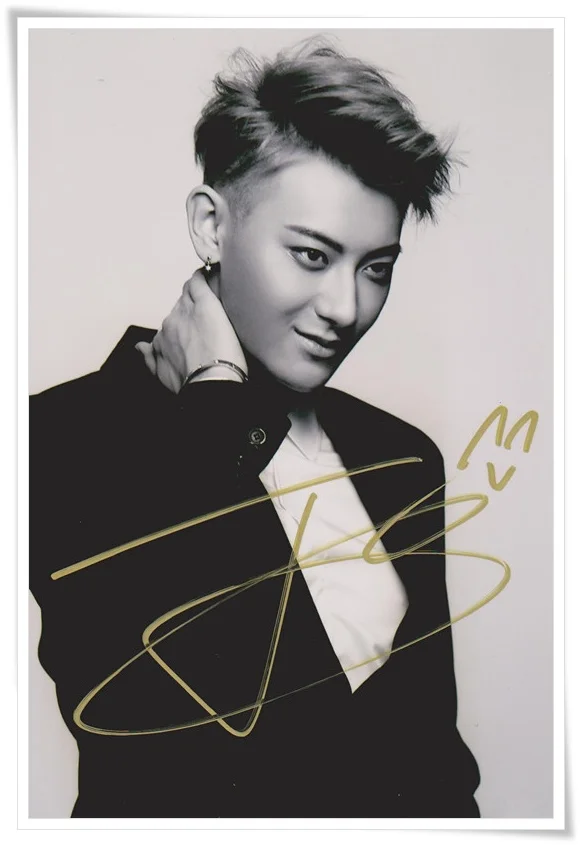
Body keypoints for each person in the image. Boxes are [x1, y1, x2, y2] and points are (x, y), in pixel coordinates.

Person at [29, 40, 481, 818]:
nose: (346, 307)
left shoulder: (403, 458)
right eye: (311, 254)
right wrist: (216, 399)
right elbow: (194, 730)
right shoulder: (56, 441)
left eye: (376, 267)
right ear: (211, 226)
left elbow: (436, 763)